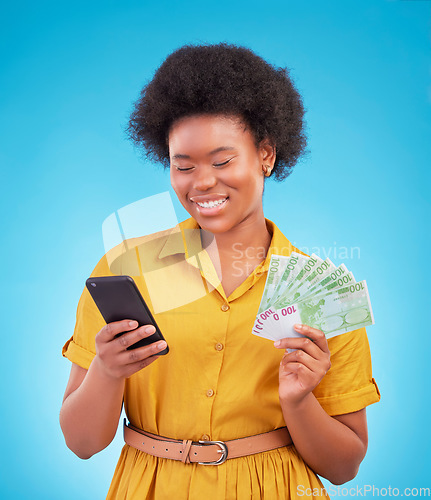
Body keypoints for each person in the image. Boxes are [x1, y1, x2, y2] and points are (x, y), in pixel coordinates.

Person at [60, 43, 380, 499]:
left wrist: (298, 399)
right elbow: (82, 443)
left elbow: (345, 465)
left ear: (266, 155)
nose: (202, 182)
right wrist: (107, 372)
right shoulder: (125, 269)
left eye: (222, 161)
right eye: (183, 165)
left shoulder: (322, 295)